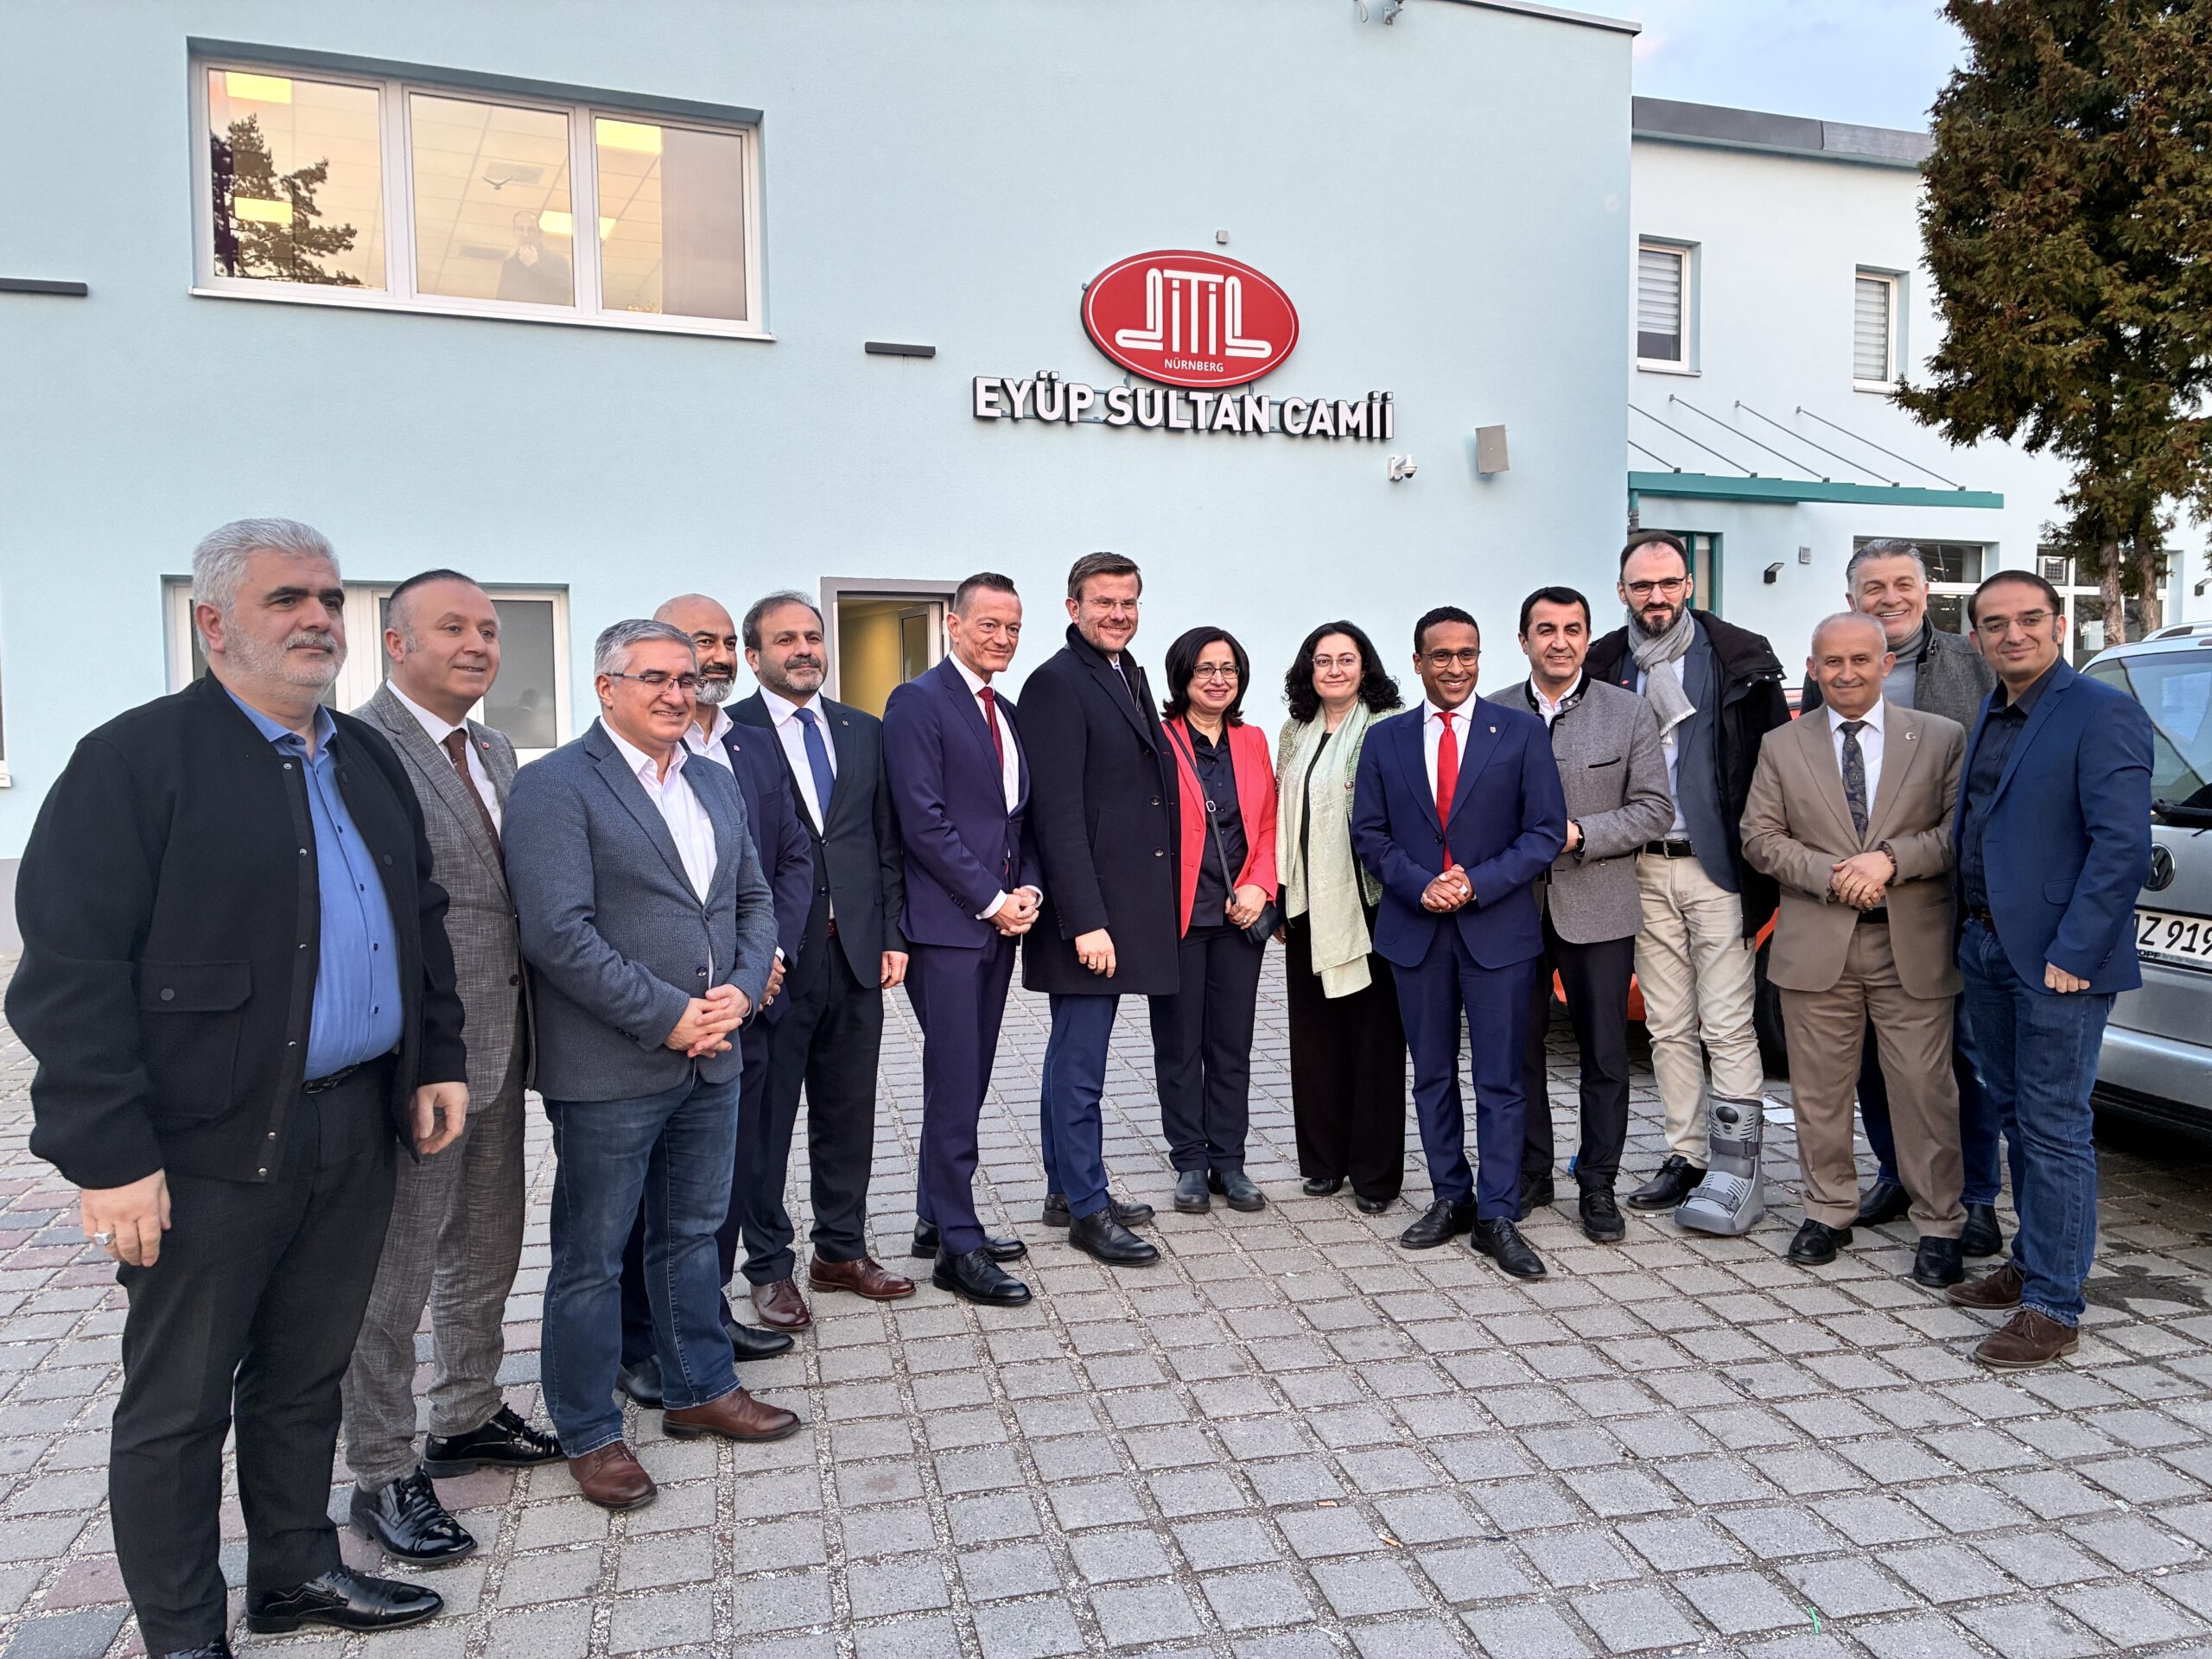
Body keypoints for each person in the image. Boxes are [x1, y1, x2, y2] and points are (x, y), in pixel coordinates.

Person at [7, 518, 469, 1655]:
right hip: (205, 1146)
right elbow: (69, 975)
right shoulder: (134, 762)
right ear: (213, 623)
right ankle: (181, 1633)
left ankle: (294, 1573)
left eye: (330, 598)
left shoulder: (364, 758)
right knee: (177, 1407)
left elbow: (420, 918)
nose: (319, 618)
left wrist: (438, 1057)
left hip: (354, 1123)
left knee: (305, 1374)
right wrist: (110, 1157)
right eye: (287, 599)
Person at [504, 620, 798, 1514]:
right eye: (656, 679)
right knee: (591, 1257)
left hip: (715, 1054)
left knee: (692, 1235)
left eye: (688, 680)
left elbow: (752, 898)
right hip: (611, 1066)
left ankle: (699, 1388)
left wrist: (741, 990)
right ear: (607, 688)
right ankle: (590, 1431)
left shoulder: (712, 779)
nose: (678, 695)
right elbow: (557, 932)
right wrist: (667, 1017)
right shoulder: (556, 785)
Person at [339, 570, 560, 1567]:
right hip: (418, 1056)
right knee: (396, 1268)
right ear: (395, 643)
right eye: (453, 628)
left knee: (486, 1241)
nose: (479, 645)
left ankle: (466, 1412)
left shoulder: (495, 749)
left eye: (490, 630)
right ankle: (382, 1470)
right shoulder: (357, 748)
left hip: (500, 1043)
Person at [608, 594, 812, 1412]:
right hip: (652, 1019)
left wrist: (764, 964)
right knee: (643, 1197)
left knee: (712, 1183)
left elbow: (787, 859)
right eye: (701, 644)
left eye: (726, 643)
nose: (716, 658)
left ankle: (704, 1320)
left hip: (743, 1001)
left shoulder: (749, 747)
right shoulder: (610, 766)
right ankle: (636, 1341)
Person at [1947, 572, 2152, 1370]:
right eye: (1995, 624)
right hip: (1987, 946)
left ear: (2060, 625)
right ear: (1977, 639)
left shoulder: (2102, 712)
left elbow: (2122, 846)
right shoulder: (1992, 710)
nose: (2014, 634)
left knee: (2056, 1127)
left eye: (2030, 618)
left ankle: (2055, 1306)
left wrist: (2076, 950)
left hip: (2060, 960)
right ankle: (2033, 1261)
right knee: (2015, 1117)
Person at [1741, 613, 1970, 1287]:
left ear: (1885, 663)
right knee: (1819, 1092)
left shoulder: (1940, 738)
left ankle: (1940, 1223)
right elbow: (1759, 836)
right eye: (1832, 662)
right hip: (1818, 942)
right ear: (1813, 669)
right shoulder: (1781, 744)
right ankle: (1828, 1211)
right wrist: (1833, 874)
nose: (1846, 674)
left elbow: (1958, 831)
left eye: (1860, 660)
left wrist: (1890, 861)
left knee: (1925, 1091)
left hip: (1912, 945)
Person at [1351, 607, 1567, 1277]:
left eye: (1466, 654)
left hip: (1497, 930)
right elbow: (1369, 833)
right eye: (1440, 655)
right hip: (1417, 932)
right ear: (1418, 662)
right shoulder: (1385, 740)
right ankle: (1451, 1196)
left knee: (1501, 1079)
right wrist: (1422, 886)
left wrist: (1475, 883)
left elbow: (1544, 831)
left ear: (1480, 658)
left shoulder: (1521, 732)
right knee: (1433, 1075)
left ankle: (1497, 1213)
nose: (1455, 667)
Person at [1585, 531, 1789, 1232]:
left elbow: (1771, 766)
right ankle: (1685, 1156)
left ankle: (1738, 1167)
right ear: (1622, 592)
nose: (1657, 596)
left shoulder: (1739, 658)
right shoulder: (1605, 664)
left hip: (1717, 867)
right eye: (1642, 585)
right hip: (1640, 866)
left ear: (1689, 586)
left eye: (1668, 582)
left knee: (1727, 1024)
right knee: (1668, 1025)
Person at [1802, 539, 2003, 1255]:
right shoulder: (1832, 669)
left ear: (1926, 592)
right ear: (1851, 597)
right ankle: (1898, 1173)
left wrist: (1897, 860)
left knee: (1957, 1061)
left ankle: (1974, 1196)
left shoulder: (1975, 667)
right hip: (1856, 907)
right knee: (1870, 1060)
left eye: (1902, 584)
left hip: (1949, 898)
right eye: (1873, 587)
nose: (1889, 598)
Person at [727, 592, 914, 1329]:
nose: (804, 649)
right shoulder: (729, 732)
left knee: (848, 1112)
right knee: (765, 1124)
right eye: (785, 640)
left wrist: (892, 933)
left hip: (856, 953)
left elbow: (883, 841)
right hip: (777, 962)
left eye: (812, 636)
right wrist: (752, 956)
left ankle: (840, 1251)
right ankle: (768, 1266)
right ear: (753, 656)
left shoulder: (861, 729)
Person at [884, 573, 1043, 1306]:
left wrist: (1028, 889)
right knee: (954, 1078)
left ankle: (933, 1215)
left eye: (1012, 628)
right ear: (953, 624)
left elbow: (1017, 820)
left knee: (970, 1076)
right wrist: (990, 900)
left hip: (999, 924)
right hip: (949, 927)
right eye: (988, 625)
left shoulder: (1005, 712)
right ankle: (958, 1244)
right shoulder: (917, 702)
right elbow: (922, 820)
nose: (1002, 638)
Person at [1019, 551, 1179, 1266]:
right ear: (1073, 607)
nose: (1118, 614)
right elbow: (1055, 814)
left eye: (1128, 602)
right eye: (1104, 602)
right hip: (1089, 916)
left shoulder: (1123, 671)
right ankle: (1087, 1209)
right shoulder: (1056, 684)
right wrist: (1086, 920)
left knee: (1071, 1055)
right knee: (1080, 1064)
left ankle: (1066, 1189)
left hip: (1118, 907)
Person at [1511, 587, 1674, 1243]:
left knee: (1605, 1055)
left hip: (1600, 906)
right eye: (1546, 629)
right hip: (1513, 911)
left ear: (1587, 637)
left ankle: (1598, 1182)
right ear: (1524, 639)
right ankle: (1532, 1172)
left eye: (1573, 629)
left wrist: (1581, 833)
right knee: (1517, 1049)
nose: (1560, 641)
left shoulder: (1628, 711)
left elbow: (1654, 809)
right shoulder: (1495, 711)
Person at [1276, 623, 1408, 1215]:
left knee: (1374, 1042)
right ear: (1308, 669)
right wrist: (1281, 895)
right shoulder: (1294, 730)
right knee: (1316, 1041)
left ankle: (1375, 1176)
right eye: (1322, 660)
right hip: (1306, 905)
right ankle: (1323, 1163)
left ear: (1365, 667)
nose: (1333, 670)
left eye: (1345, 659)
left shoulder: (1388, 726)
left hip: (1369, 906)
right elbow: (1282, 813)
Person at [1152, 627, 1280, 1215]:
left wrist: (1260, 885)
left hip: (1238, 915)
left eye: (1228, 669)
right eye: (1205, 668)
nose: (1218, 679)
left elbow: (1270, 822)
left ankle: (1229, 1161)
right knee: (1179, 1046)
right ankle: (1189, 1162)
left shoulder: (1252, 741)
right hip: (1176, 916)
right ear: (1183, 676)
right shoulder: (1159, 740)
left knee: (1231, 1044)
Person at [497, 210, 573, 306]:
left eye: (531, 229)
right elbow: (502, 301)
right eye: (521, 229)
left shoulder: (558, 261)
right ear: (514, 233)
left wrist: (534, 266)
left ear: (540, 233)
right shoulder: (509, 265)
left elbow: (563, 297)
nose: (526, 234)